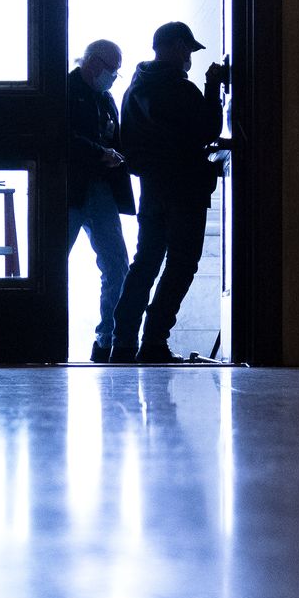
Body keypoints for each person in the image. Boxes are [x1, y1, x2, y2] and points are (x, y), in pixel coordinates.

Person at [109, 20, 225, 363]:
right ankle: (155, 341)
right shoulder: (177, 86)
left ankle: (123, 342)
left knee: (145, 262)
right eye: (187, 49)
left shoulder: (135, 88)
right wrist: (212, 86)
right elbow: (208, 128)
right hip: (185, 188)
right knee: (182, 262)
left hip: (151, 188)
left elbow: (126, 141)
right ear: (175, 46)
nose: (189, 57)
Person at [67, 39, 135, 362]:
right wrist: (99, 154)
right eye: (111, 70)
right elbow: (61, 137)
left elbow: (116, 139)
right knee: (53, 265)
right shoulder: (62, 91)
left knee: (117, 265)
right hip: (69, 191)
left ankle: (106, 339)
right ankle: (45, 337)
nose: (113, 77)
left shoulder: (107, 100)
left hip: (102, 191)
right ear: (93, 63)